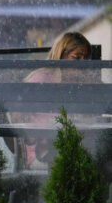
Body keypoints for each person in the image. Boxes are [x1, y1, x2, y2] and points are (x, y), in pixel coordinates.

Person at [17, 32, 92, 170]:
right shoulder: (40, 79)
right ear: (62, 55)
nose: (82, 64)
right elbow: (18, 117)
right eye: (77, 58)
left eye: (85, 59)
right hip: (42, 152)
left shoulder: (82, 83)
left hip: (73, 147)